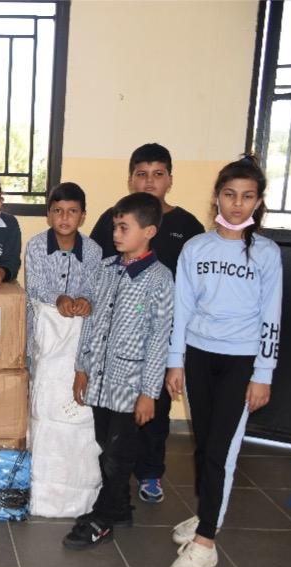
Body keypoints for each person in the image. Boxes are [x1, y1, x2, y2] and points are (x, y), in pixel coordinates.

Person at [164, 156, 282, 567]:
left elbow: (271, 316)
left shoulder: (266, 253)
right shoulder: (196, 248)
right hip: (198, 356)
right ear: (217, 196)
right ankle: (207, 515)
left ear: (258, 202)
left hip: (241, 362)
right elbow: (182, 308)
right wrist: (175, 360)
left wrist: (263, 373)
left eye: (247, 196)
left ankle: (206, 542)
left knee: (221, 451)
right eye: (230, 194)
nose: (237, 204)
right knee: (204, 446)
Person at [89, 143, 205, 504]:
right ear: (130, 179)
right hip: (117, 339)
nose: (149, 181)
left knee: (155, 408)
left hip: (162, 335)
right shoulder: (112, 219)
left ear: (170, 179)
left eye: (158, 174)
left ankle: (151, 473)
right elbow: (97, 268)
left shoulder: (187, 226)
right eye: (141, 174)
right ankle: (112, 480)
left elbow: (195, 285)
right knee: (112, 418)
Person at [64, 192, 174, 550]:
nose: (115, 234)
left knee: (117, 455)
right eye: (115, 227)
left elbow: (159, 340)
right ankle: (121, 507)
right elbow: (90, 322)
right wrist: (81, 368)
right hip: (99, 381)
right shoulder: (107, 269)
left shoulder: (160, 280)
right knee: (104, 445)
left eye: (124, 228)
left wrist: (149, 392)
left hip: (131, 386)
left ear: (149, 232)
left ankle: (103, 518)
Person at [23, 182, 102, 369]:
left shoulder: (93, 250)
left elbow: (92, 287)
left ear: (83, 216)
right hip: (42, 331)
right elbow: (35, 287)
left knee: (70, 377)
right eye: (58, 211)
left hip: (76, 333)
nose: (64, 217)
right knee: (40, 378)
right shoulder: (36, 245)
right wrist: (58, 298)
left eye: (72, 211)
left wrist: (84, 300)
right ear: (48, 215)